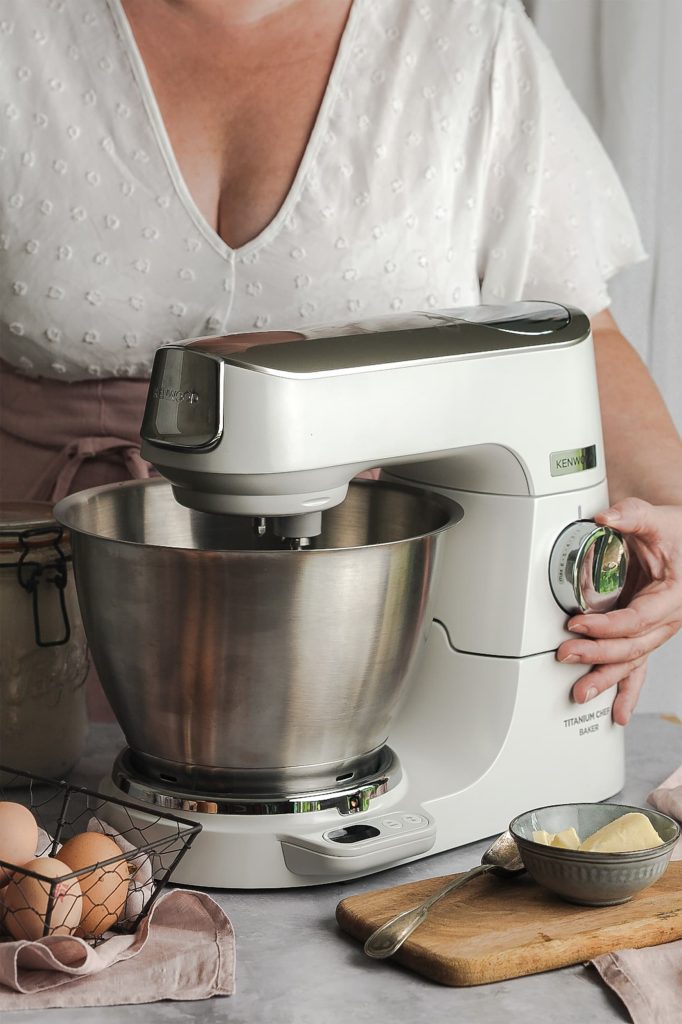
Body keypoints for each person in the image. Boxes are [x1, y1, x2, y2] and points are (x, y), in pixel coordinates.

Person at [1, 0, 681, 726]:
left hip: (381, 617)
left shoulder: (465, 33)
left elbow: (574, 334)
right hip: (34, 625)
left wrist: (675, 514)